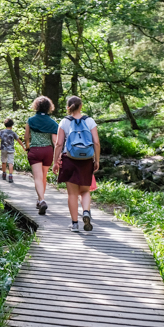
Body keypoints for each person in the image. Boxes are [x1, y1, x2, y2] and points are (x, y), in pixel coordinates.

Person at [52, 96, 101, 232]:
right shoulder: (89, 121)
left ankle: (74, 224)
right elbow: (96, 142)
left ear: (68, 107)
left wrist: (55, 161)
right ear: (81, 106)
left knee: (72, 194)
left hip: (69, 159)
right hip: (86, 160)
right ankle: (86, 212)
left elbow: (59, 144)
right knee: (85, 191)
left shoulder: (64, 122)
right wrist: (96, 160)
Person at [25, 96, 59, 215]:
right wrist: (57, 158)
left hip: (35, 151)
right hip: (48, 151)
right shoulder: (53, 123)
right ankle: (40, 200)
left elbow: (26, 137)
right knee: (43, 177)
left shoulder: (31, 120)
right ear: (49, 107)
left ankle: (42, 200)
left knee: (37, 178)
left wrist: (27, 146)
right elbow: (55, 142)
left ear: (36, 106)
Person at [0, 118, 26, 183]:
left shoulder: (1, 132)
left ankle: (4, 173)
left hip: (3, 149)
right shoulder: (13, 133)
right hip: (11, 150)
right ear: (12, 125)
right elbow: (19, 140)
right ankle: (10, 175)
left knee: (4, 161)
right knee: (10, 162)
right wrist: (23, 147)